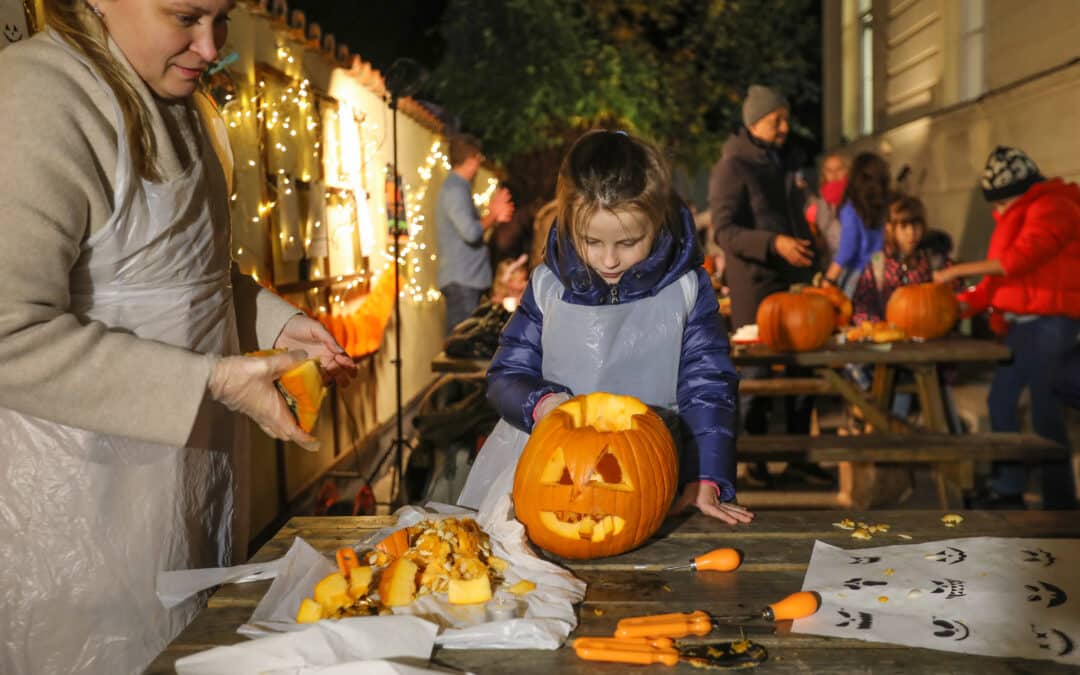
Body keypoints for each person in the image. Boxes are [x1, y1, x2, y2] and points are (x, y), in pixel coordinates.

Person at [0, 3, 357, 673]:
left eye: (221, 17)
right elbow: (7, 332)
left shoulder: (184, 101)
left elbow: (184, 271)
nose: (211, 45)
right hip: (74, 524)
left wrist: (273, 319)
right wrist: (213, 380)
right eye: (186, 16)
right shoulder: (34, 99)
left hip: (187, 490)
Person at [458, 130, 752, 525]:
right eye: (591, 241)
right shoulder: (547, 286)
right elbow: (507, 374)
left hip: (648, 476)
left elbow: (708, 386)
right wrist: (541, 404)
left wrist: (707, 474)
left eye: (629, 242)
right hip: (552, 472)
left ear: (658, 221)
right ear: (568, 223)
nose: (609, 260)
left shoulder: (685, 288)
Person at [934, 146, 1080, 510]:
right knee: (1000, 400)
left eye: (998, 203)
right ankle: (1008, 487)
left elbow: (1019, 260)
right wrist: (956, 306)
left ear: (1015, 192)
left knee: (1047, 412)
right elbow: (999, 282)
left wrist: (956, 271)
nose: (995, 211)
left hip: (1053, 324)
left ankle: (1059, 500)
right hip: (1022, 326)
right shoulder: (1015, 216)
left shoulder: (1056, 206)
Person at [709, 84, 827, 488]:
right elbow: (724, 231)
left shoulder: (780, 163)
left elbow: (793, 219)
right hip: (756, 288)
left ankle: (797, 456)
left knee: (803, 367)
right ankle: (751, 461)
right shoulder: (732, 167)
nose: (785, 125)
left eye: (786, 117)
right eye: (778, 118)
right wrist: (772, 243)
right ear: (756, 120)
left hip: (793, 285)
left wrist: (811, 254)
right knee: (757, 377)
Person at [437, 133, 515, 334]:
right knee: (462, 348)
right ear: (472, 158)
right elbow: (471, 232)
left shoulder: (458, 188)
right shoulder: (455, 189)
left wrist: (493, 218)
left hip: (467, 281)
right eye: (478, 159)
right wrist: (493, 214)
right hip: (462, 282)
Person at [851, 194, 958, 324]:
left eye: (916, 225)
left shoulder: (931, 258)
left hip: (927, 331)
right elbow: (861, 305)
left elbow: (954, 293)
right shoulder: (877, 263)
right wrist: (877, 325)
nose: (911, 233)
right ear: (890, 228)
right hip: (888, 334)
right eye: (904, 227)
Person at [822, 152, 891, 294]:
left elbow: (848, 248)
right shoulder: (886, 206)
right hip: (884, 272)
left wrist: (829, 279)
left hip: (858, 276)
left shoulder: (851, 208)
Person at [804, 151, 849, 267]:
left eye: (839, 169)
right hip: (829, 263)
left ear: (847, 170)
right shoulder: (818, 201)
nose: (834, 174)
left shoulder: (855, 197)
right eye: (829, 170)